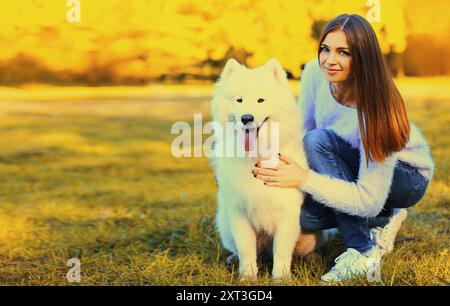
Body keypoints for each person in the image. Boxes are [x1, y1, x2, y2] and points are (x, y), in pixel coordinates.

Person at [252, 14, 434, 282]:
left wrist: (304, 179)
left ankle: (362, 249)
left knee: (318, 142)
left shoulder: (376, 110)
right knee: (306, 218)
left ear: (362, 57)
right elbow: (299, 132)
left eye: (343, 52)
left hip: (404, 177)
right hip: (345, 163)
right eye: (325, 49)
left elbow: (368, 200)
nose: (329, 60)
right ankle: (382, 220)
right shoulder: (315, 73)